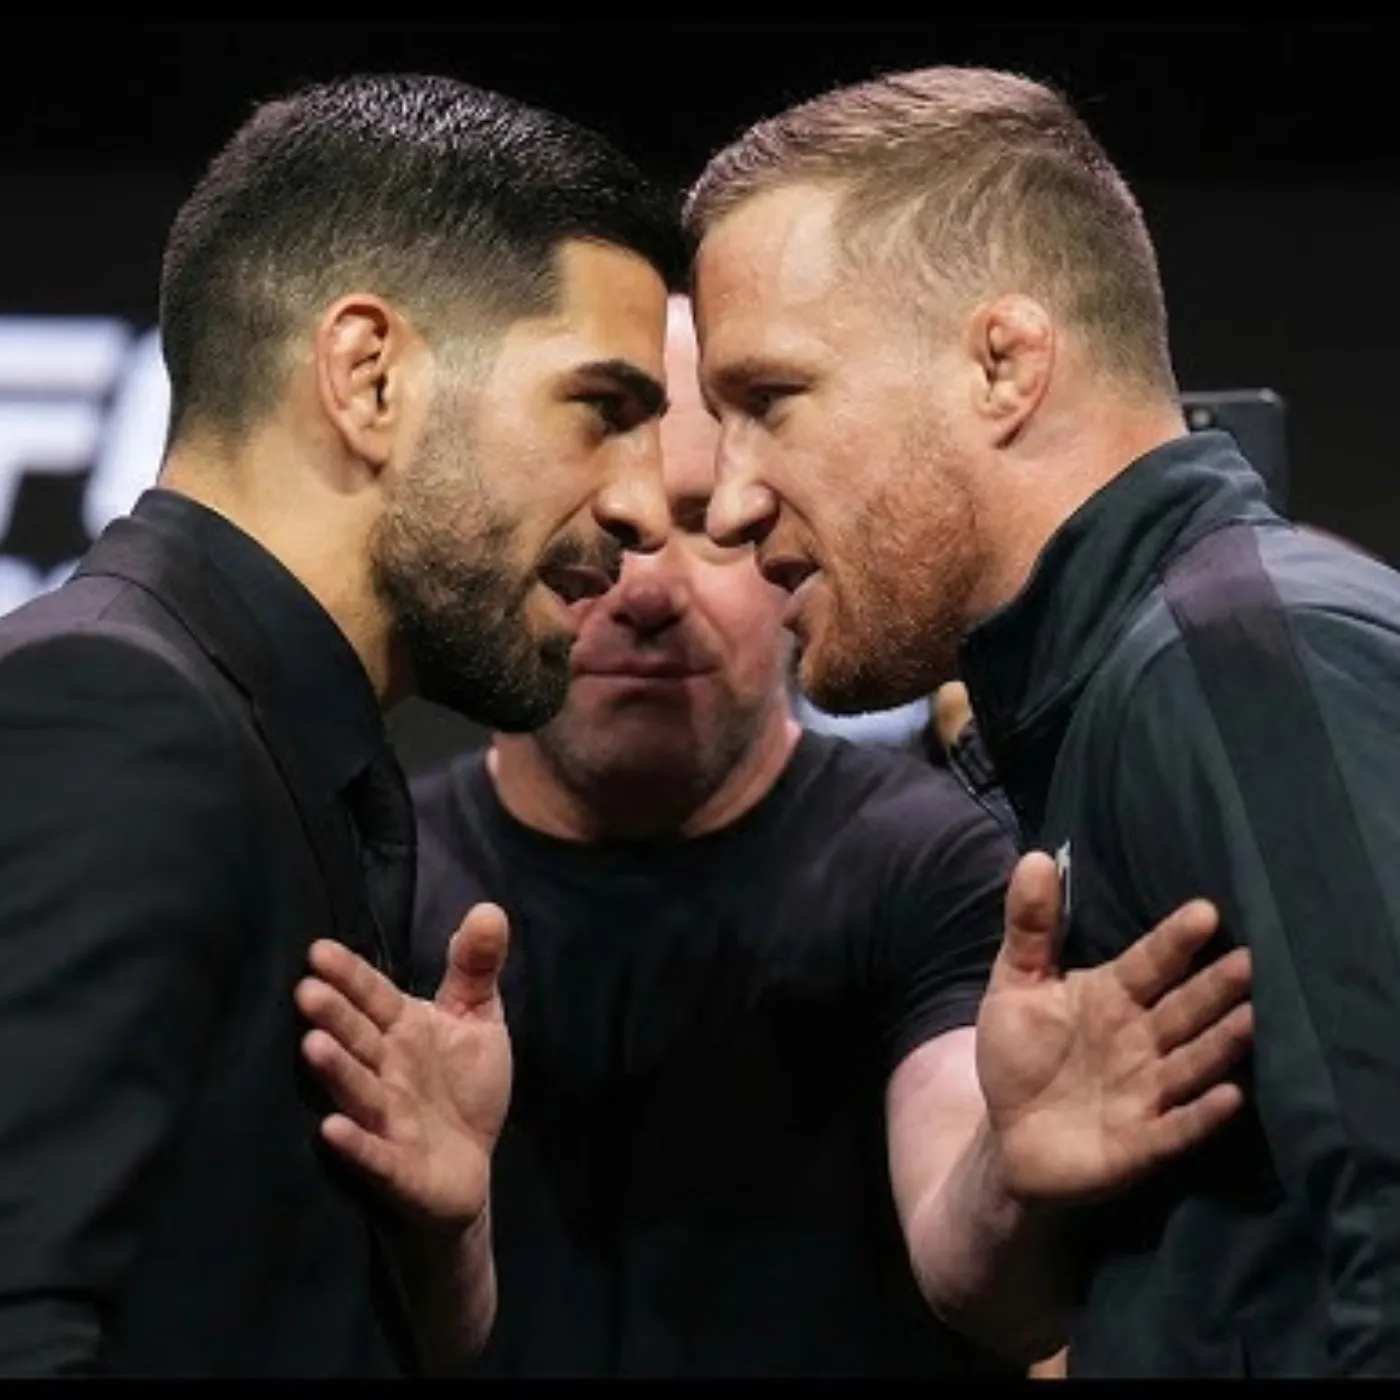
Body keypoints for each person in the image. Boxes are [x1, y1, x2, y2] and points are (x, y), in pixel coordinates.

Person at [295, 296, 1254, 1376]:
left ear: (785, 541)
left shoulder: (929, 864)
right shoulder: (370, 881)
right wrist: (439, 1239)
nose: (648, 589)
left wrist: (1006, 1178)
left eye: (707, 524)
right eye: (605, 528)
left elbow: (975, 1258)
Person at [681, 63, 1400, 1376]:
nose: (729, 503)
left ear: (1002, 364)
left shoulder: (1236, 651)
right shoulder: (1117, 692)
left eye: (770, 401)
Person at [0, 70, 687, 1377]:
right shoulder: (115, 717)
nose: (647, 510)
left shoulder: (268, 742)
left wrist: (431, 1260)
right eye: (602, 412)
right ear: (369, 377)